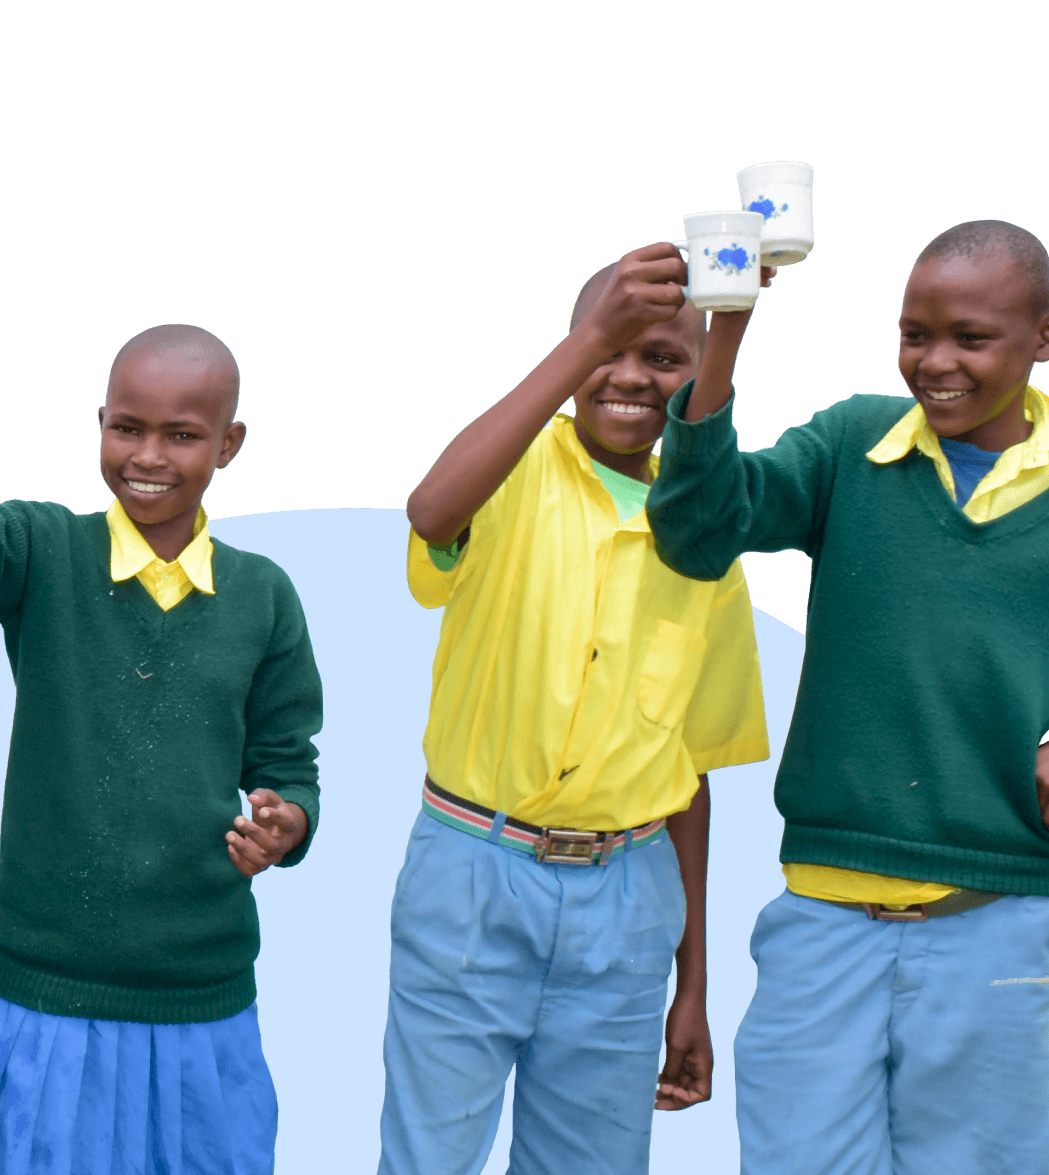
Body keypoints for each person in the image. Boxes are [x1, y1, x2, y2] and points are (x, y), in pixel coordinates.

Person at [647, 219, 1049, 1172]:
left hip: (990, 927)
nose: (933, 362)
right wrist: (727, 324)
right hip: (819, 926)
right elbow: (699, 530)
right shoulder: (851, 445)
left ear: (1046, 335)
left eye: (970, 338)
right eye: (913, 333)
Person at [0, 207, 322, 1175]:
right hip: (46, 1004)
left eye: (183, 434)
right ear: (97, 423)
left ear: (230, 444)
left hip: (203, 1006)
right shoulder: (44, 556)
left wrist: (285, 823)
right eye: (127, 426)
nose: (148, 455)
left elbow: (288, 765)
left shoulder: (263, 597)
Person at [382, 243, 775, 1174]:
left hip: (627, 896)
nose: (633, 377)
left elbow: (690, 773)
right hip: (473, 871)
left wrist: (695, 982)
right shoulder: (509, 468)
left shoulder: (709, 538)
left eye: (664, 358)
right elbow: (432, 511)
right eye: (612, 351)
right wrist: (584, 340)